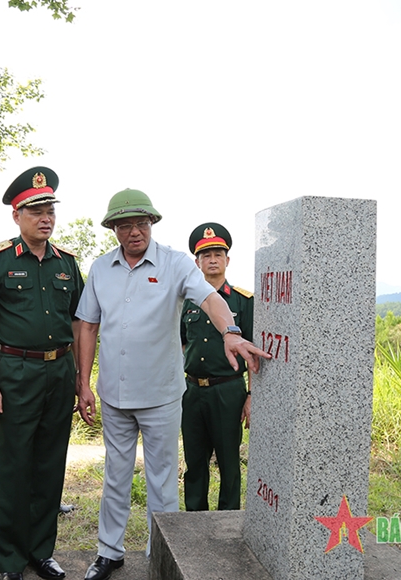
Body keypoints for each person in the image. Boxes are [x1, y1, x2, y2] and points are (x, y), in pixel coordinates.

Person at [74, 190, 269, 580]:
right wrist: (83, 383)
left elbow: (210, 298)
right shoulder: (100, 268)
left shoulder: (176, 264)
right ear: (113, 229)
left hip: (161, 395)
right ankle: (109, 552)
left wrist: (230, 330)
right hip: (114, 393)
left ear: (152, 224)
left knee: (162, 481)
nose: (135, 232)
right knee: (115, 474)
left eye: (142, 224)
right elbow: (88, 326)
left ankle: (157, 555)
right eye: (126, 225)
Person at [0, 167, 83, 580]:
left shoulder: (66, 263)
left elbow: (82, 322)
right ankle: (11, 560)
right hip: (15, 372)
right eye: (35, 210)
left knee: (50, 464)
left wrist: (82, 381)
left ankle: (41, 550)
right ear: (17, 216)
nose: (45, 217)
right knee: (13, 467)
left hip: (60, 371)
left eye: (50, 209)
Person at [181, 223, 254, 512]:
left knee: (229, 464)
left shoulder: (243, 301)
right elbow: (182, 343)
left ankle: (228, 524)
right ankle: (193, 523)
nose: (212, 259)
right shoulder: (187, 301)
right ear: (197, 262)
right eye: (206, 254)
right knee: (194, 462)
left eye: (218, 253)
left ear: (227, 259)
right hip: (193, 392)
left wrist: (251, 396)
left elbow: (253, 354)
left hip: (228, 392)